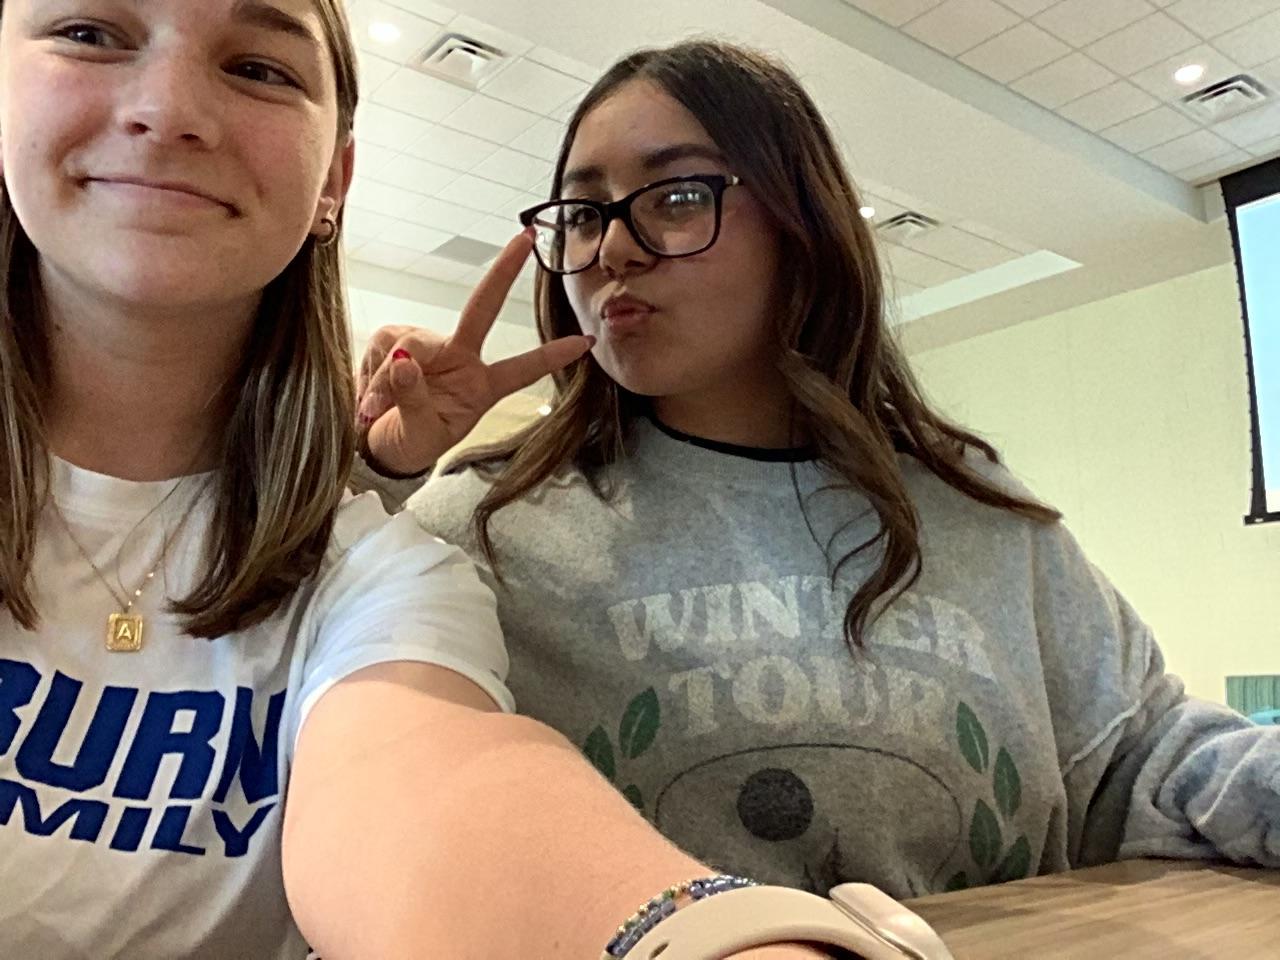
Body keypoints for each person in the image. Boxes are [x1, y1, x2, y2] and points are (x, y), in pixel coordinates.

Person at [0, 5, 835, 958]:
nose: (169, 108)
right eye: (89, 33)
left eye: (260, 68)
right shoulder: (481, 515)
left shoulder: (384, 578)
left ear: (335, 179)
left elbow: (428, 776)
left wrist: (716, 939)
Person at [357, 40, 1280, 901]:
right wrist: (380, 471)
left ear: (800, 223)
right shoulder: (489, 520)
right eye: (584, 214)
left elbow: (1145, 756)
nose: (613, 250)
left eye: (675, 197)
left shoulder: (971, 503)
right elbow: (326, 752)